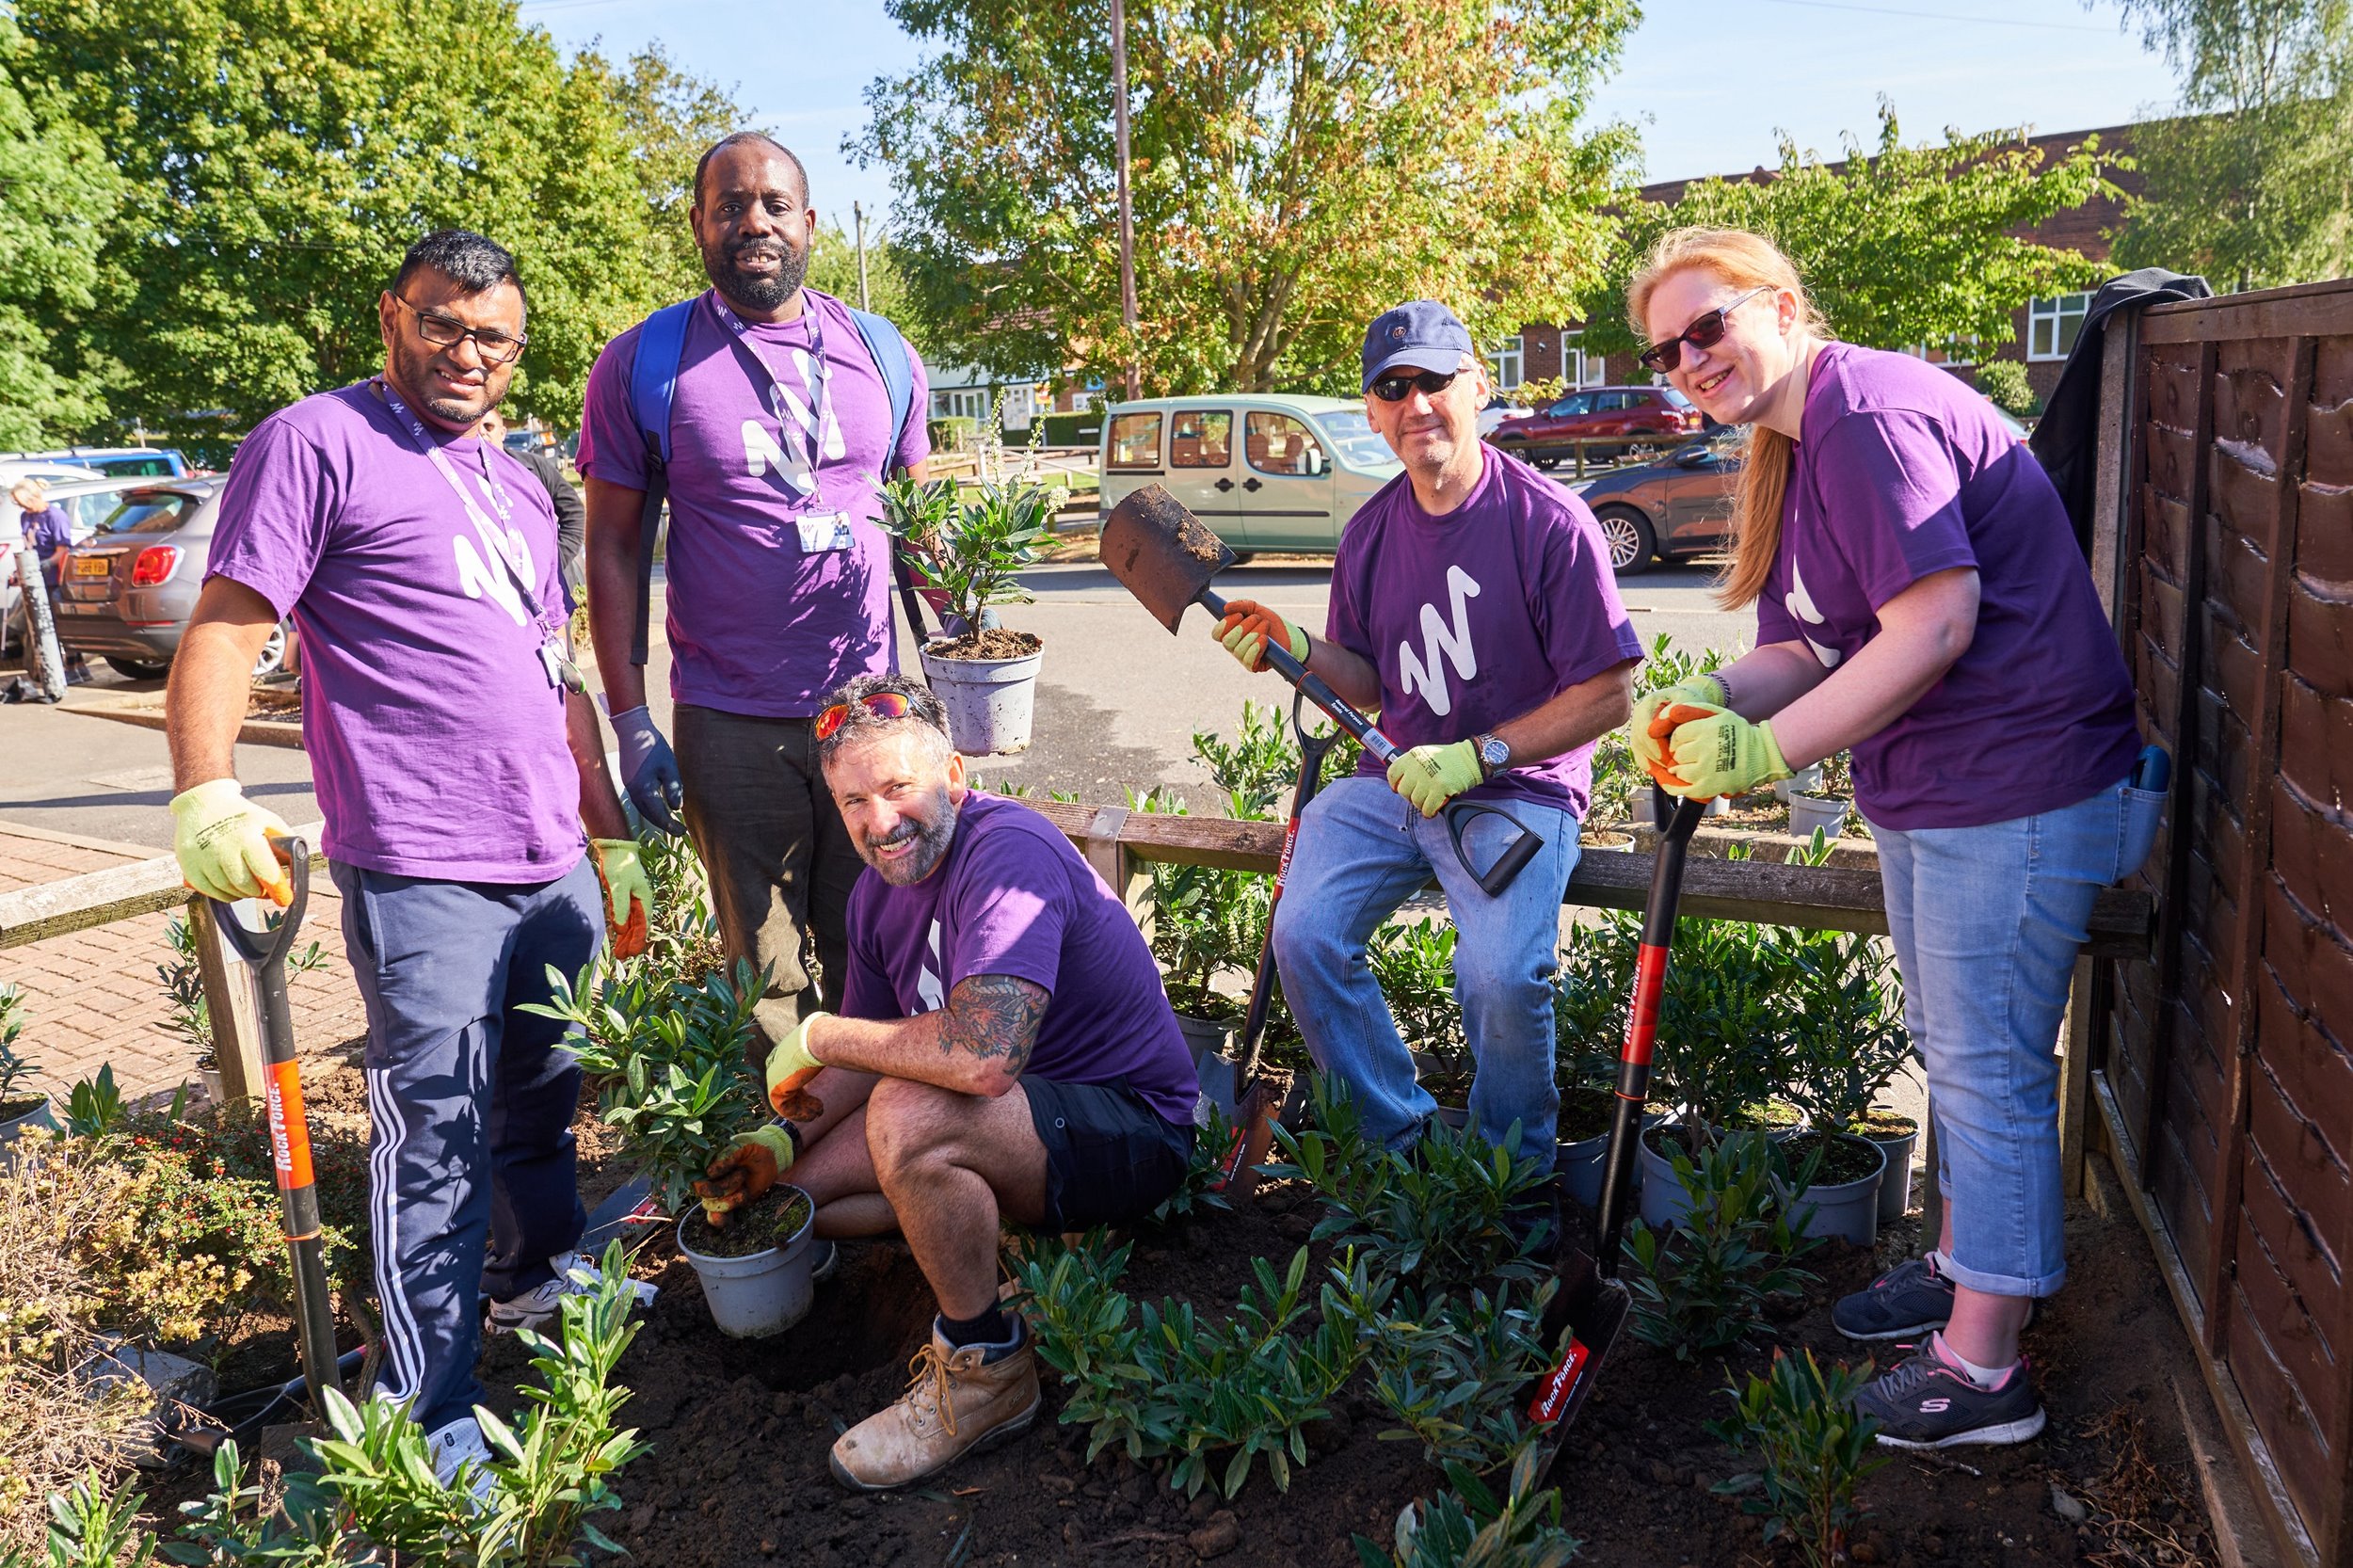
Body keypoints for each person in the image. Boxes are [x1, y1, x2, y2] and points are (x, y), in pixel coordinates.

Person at [1625, 227, 2162, 1449]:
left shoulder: (1862, 413)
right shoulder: (1794, 446)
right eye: (1668, 348)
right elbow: (1813, 641)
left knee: (1985, 1067)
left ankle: (1985, 1374)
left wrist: (1764, 754)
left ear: (1784, 303)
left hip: (2015, 785)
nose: (1689, 359)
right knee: (1952, 1043)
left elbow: (1933, 627)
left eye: (1709, 326)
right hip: (1939, 790)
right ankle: (1976, 1260)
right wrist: (1710, 697)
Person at [163, 230, 654, 1490]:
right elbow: (228, 628)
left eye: (493, 336)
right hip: (422, 857)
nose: (467, 353)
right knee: (433, 1135)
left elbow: (557, 680)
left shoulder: (516, 479)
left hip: (549, 854)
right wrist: (207, 788)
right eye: (444, 324)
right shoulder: (318, 441)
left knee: (545, 1094)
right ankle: (422, 1409)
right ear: (394, 316)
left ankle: (537, 1277)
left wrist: (610, 842)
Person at [691, 673, 1198, 1492]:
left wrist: (816, 1032)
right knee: (792, 1201)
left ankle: (986, 1370)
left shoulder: (1008, 853)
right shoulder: (872, 899)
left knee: (913, 1112)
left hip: (1132, 1131)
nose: (877, 822)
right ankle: (973, 1223)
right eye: (853, 801)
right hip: (1018, 1128)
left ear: (955, 777)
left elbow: (982, 1056)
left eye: (898, 788)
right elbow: (866, 1061)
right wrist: (780, 1139)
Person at [1214, 300, 1641, 1230]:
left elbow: (1611, 694)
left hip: (1516, 790)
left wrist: (1477, 754)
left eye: (1434, 380)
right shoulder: (1370, 533)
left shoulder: (1549, 522)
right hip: (1392, 780)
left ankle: (1507, 1182)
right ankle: (1403, 1152)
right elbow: (1367, 682)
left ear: (1478, 386)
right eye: (1391, 386)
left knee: (1501, 977)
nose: (1416, 403)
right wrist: (1295, 644)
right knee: (1306, 934)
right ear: (1371, 410)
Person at [577, 132, 931, 1074]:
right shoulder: (643, 364)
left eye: (774, 203)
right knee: (763, 970)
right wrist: (630, 719)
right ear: (698, 224)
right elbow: (611, 545)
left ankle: (889, 1143)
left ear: (809, 222)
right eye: (729, 205)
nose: (754, 222)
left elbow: (925, 522)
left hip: (872, 714)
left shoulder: (881, 353)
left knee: (884, 945)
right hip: (729, 719)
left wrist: (971, 649)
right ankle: (793, 1155)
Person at [481, 409, 586, 606]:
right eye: (477, 427)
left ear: (503, 432)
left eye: (489, 427)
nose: (483, 433)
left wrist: (555, 559)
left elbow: (574, 511)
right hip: (503, 595)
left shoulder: (533, 467)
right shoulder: (464, 476)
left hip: (552, 589)